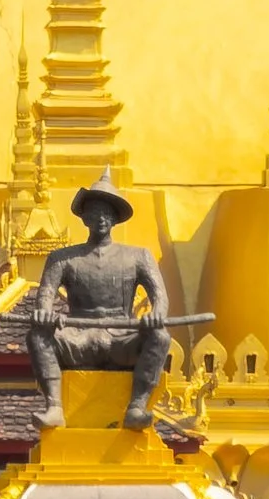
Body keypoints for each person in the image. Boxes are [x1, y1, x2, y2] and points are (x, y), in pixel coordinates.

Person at [23, 175, 173, 429]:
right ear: (85, 218)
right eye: (95, 213)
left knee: (160, 336)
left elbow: (160, 295)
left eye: (106, 213)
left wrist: (156, 314)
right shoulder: (63, 258)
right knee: (38, 336)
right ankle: (54, 407)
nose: (101, 218)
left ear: (114, 218)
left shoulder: (138, 256)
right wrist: (44, 314)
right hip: (79, 336)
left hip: (122, 337)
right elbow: (46, 294)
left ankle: (137, 406)